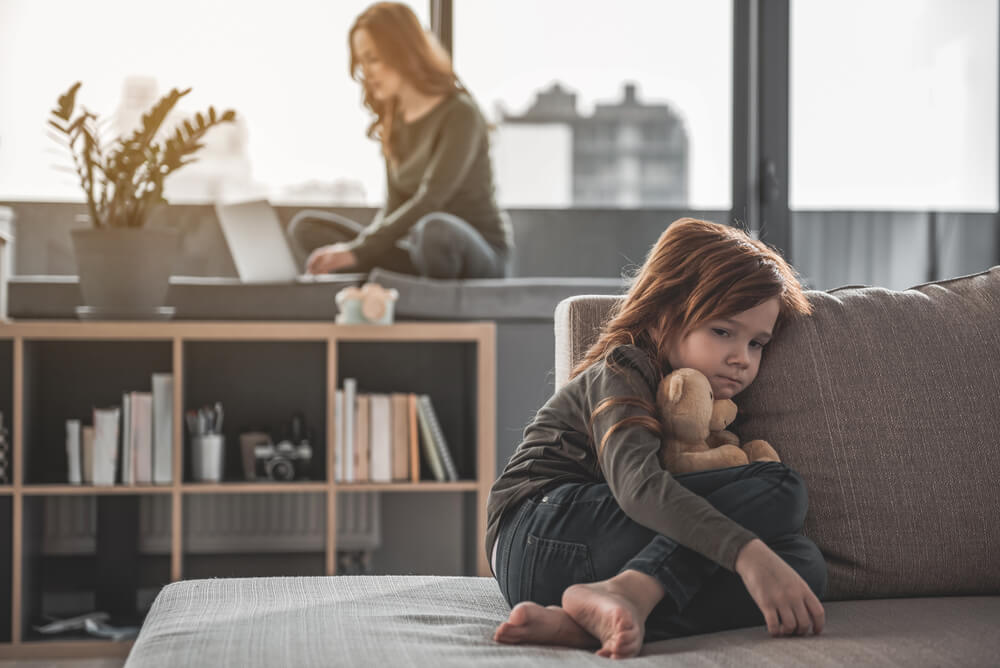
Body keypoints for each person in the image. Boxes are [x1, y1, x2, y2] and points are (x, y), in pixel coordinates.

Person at [486, 218, 827, 659]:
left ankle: (588, 623)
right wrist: (746, 552)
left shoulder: (704, 408)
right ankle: (630, 590)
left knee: (803, 568)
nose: (741, 359)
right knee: (780, 486)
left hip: (570, 568)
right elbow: (639, 489)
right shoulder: (624, 367)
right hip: (537, 530)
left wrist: (761, 559)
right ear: (666, 314)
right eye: (722, 331)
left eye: (757, 344)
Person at [289, 2, 513, 279]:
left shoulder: (460, 113)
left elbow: (430, 199)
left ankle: (386, 276)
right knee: (307, 229)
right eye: (361, 61)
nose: (366, 72)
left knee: (434, 231)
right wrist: (358, 248)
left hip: (472, 252)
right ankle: (394, 280)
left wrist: (359, 252)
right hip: (420, 251)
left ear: (403, 52)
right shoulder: (393, 121)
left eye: (373, 58)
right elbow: (394, 208)